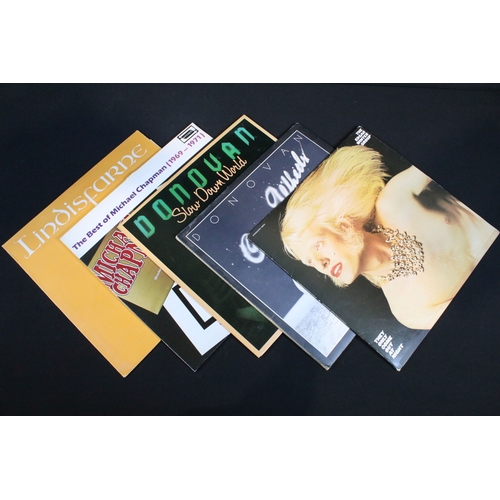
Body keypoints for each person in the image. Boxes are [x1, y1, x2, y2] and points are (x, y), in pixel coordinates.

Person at [280, 145, 498, 330]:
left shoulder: (395, 201)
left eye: (318, 246)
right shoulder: (407, 310)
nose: (321, 264)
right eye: (310, 262)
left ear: (344, 225)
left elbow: (459, 152)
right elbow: (481, 319)